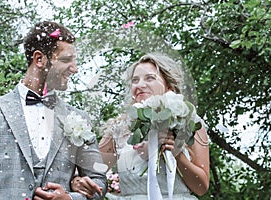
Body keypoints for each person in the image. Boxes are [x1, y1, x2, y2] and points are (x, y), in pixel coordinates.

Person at [0, 21, 107, 200]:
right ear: (39, 59)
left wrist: (71, 198)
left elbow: (99, 181)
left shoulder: (78, 119)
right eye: (66, 60)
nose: (75, 69)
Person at [71, 53, 210, 199]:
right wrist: (77, 180)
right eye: (135, 80)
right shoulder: (119, 129)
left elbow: (201, 188)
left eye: (150, 78)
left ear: (169, 86)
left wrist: (177, 155)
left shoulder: (189, 122)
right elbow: (95, 170)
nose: (140, 85)